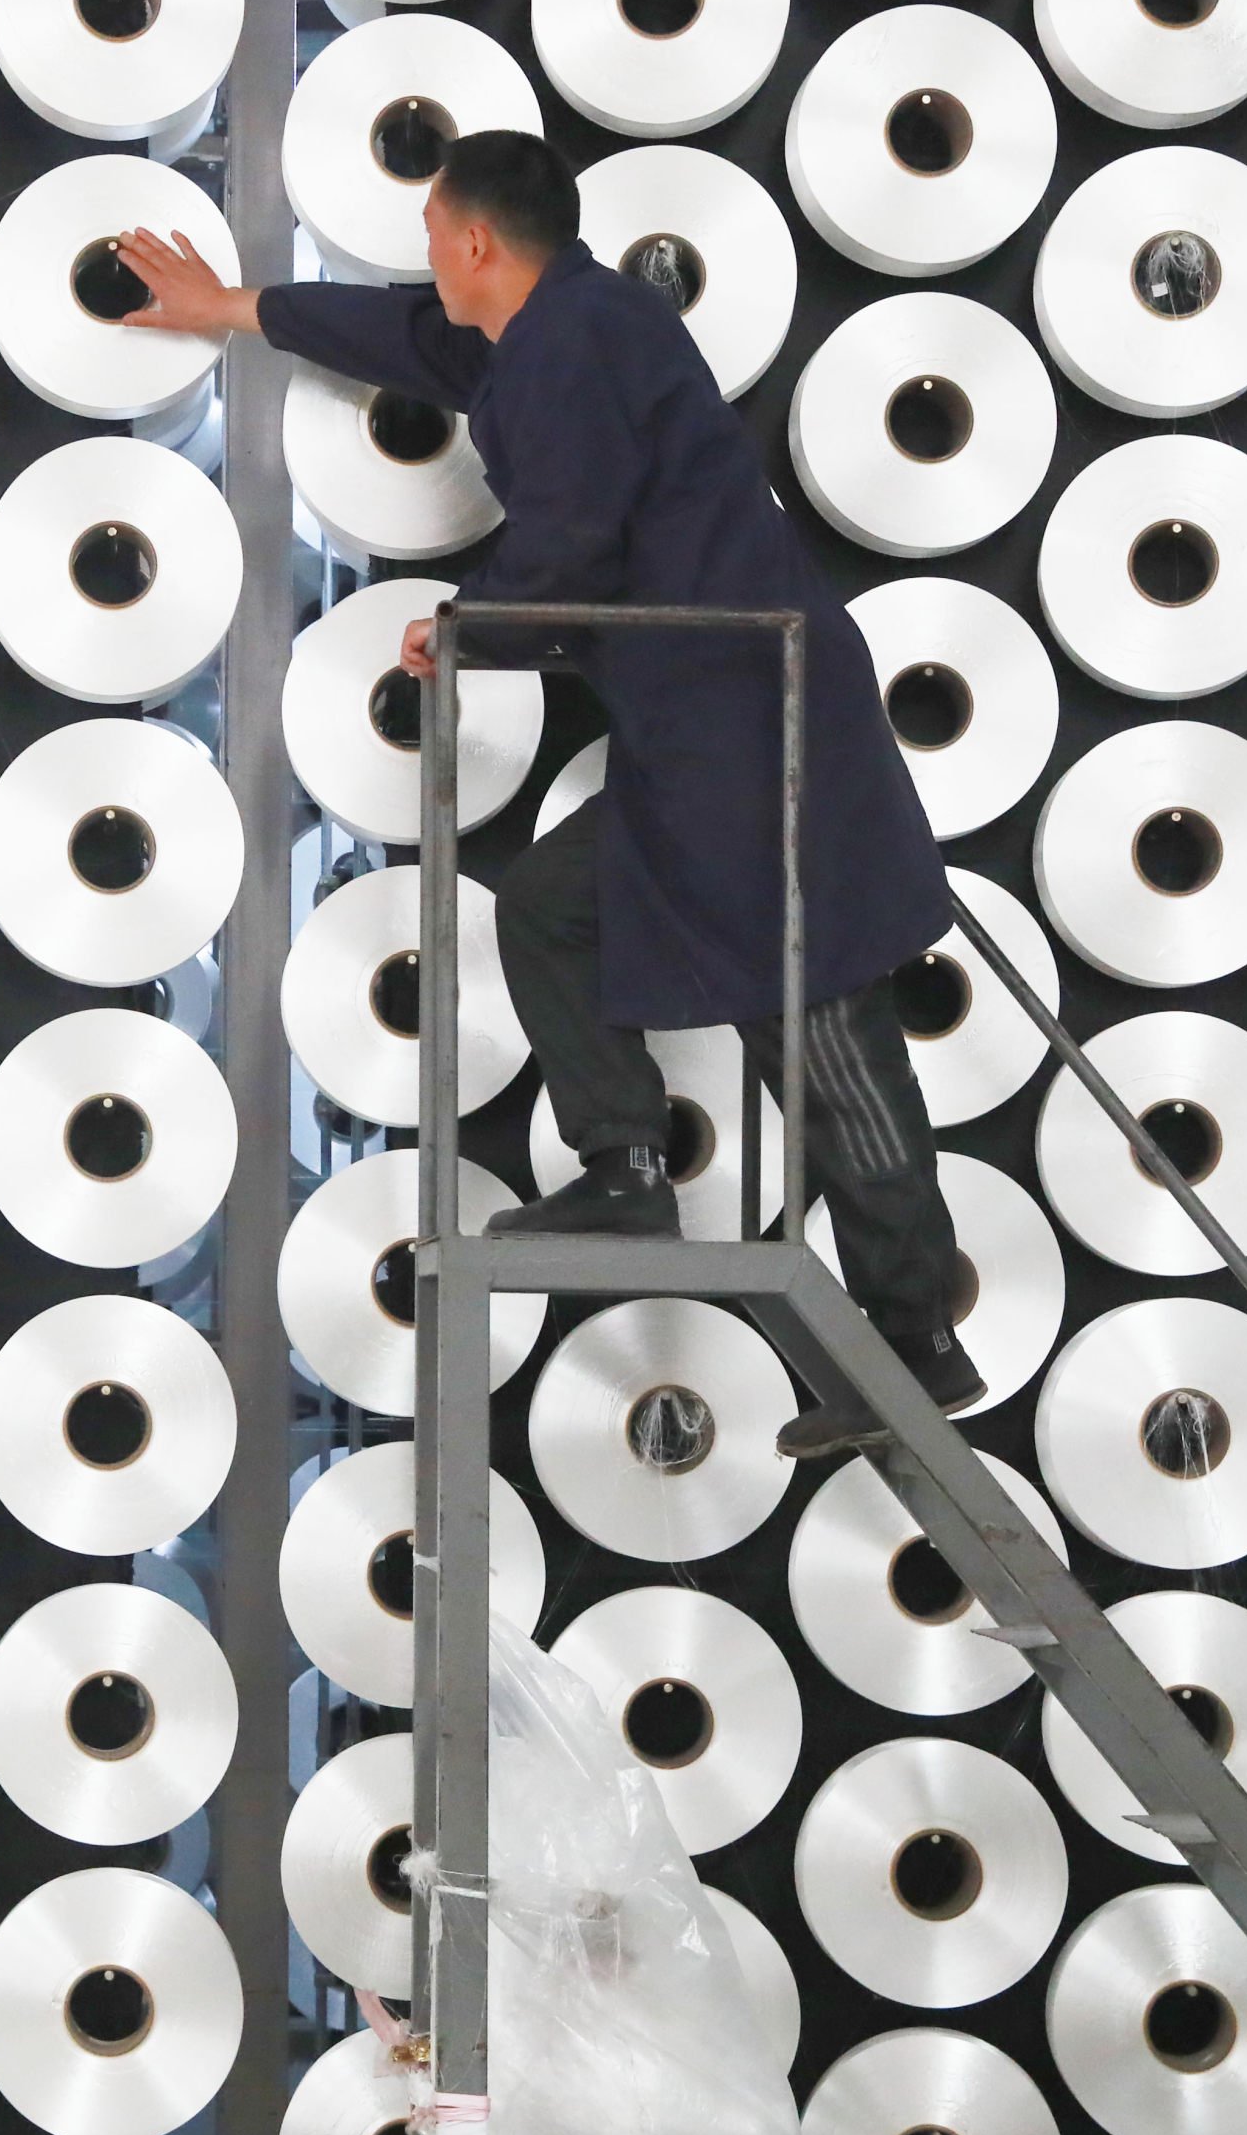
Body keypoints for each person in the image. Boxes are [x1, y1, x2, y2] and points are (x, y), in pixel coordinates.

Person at [114, 130, 979, 1457]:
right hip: (696, 730)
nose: (423, 260)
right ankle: (627, 1170)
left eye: (429, 236)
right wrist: (231, 307)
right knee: (553, 909)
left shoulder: (574, 345)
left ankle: (916, 1342)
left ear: (471, 242)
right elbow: (413, 338)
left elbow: (576, 526)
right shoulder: (552, 322)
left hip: (760, 724)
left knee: (821, 1037)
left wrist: (475, 624)